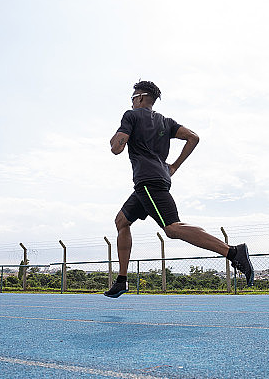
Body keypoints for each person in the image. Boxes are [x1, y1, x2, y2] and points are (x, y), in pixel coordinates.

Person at [105, 80, 254, 298]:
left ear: (139, 98)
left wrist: (116, 140)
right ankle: (122, 280)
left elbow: (116, 149)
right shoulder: (166, 122)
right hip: (152, 182)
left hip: (148, 182)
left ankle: (232, 252)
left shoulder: (131, 115)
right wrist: (173, 166)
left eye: (133, 98)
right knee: (121, 221)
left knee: (172, 229)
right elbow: (193, 137)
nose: (133, 101)